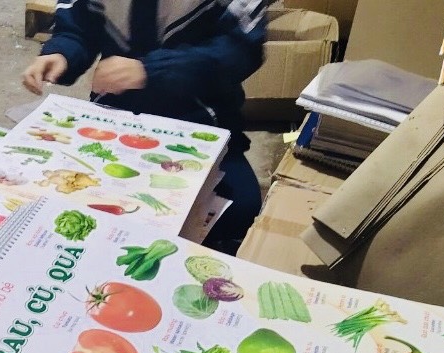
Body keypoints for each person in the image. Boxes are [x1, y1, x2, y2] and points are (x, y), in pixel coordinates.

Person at [22, 0, 269, 254]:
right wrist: (62, 52)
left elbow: (241, 50)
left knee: (239, 208)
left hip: (201, 122)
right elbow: (79, 27)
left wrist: (151, 70)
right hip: (116, 120)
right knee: (62, 197)